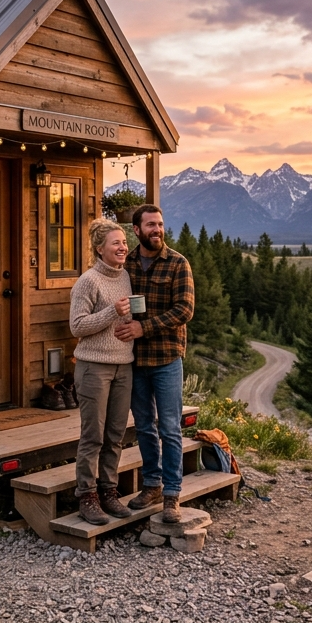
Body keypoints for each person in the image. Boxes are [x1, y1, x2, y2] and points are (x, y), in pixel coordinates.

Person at [116, 204, 194, 523]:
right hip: (135, 360)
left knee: (170, 428)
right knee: (145, 426)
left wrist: (143, 327)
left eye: (160, 224)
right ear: (137, 230)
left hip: (166, 359)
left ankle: (172, 495)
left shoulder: (177, 263)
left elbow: (184, 310)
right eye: (150, 225)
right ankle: (152, 485)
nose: (157, 230)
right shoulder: (127, 265)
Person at [67, 218, 135, 525]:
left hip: (124, 365)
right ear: (100, 249)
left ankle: (109, 491)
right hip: (94, 367)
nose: (123, 248)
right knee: (92, 436)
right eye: (116, 243)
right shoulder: (88, 281)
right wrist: (112, 312)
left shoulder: (127, 278)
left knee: (116, 435)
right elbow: (77, 326)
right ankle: (87, 496)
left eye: (124, 242)